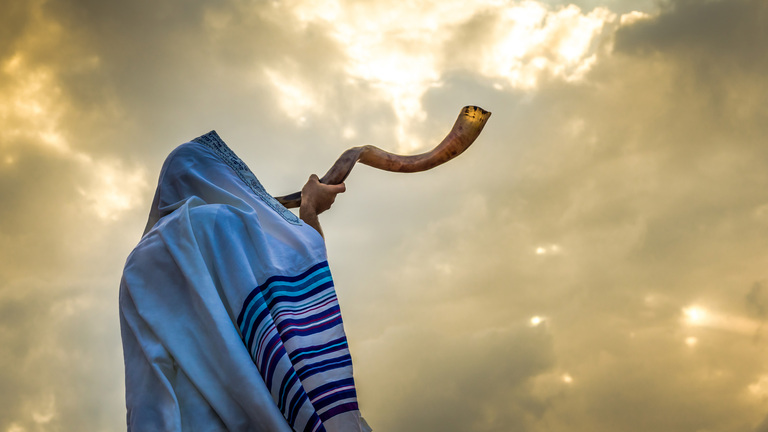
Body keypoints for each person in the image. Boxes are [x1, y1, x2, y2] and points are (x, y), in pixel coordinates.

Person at [119, 130, 371, 431]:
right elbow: (297, 267)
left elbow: (145, 375)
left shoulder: (137, 266)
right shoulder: (223, 224)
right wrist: (309, 212)